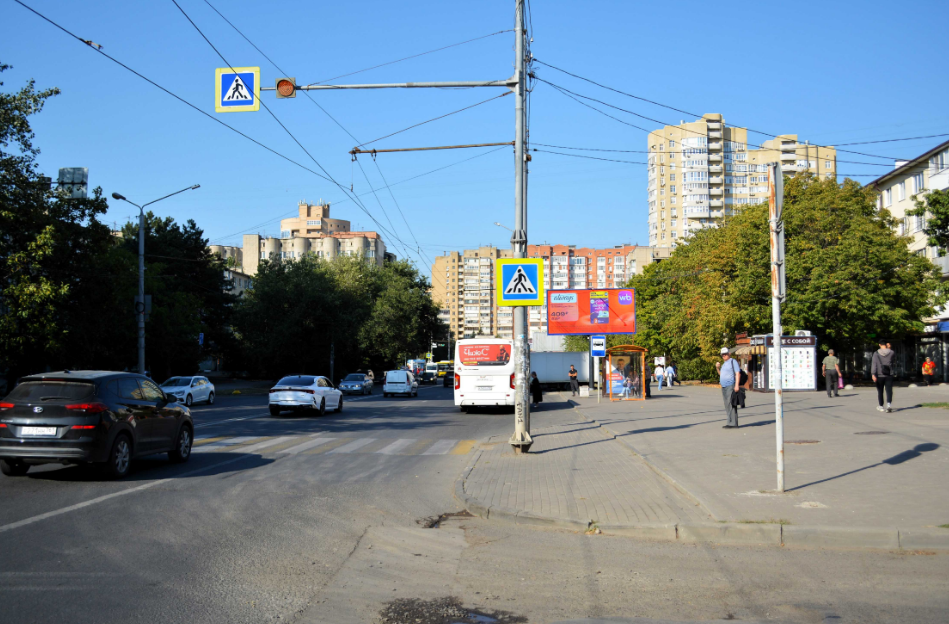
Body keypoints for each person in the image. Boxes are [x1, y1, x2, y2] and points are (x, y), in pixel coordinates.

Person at [715, 347, 741, 428]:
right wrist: (717, 368)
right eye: (723, 355)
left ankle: (733, 423)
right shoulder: (724, 364)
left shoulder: (733, 361)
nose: (724, 356)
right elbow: (721, 374)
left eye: (725, 354)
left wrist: (736, 385)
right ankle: (730, 422)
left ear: (729, 353)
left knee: (731, 404)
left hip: (731, 385)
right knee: (727, 405)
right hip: (724, 386)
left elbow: (738, 373)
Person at [871, 340, 895, 413]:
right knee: (889, 390)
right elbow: (893, 362)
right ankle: (889, 405)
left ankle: (881, 406)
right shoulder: (891, 352)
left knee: (880, 390)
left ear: (879, 345)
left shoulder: (876, 353)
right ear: (886, 344)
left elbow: (874, 364)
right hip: (889, 374)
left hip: (879, 375)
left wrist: (873, 374)